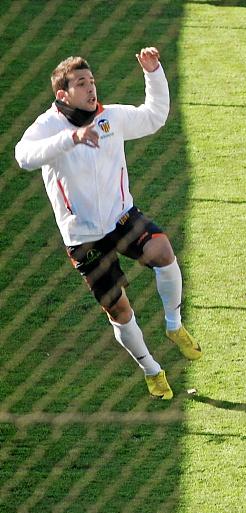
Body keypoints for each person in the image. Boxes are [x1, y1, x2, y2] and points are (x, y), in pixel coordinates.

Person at [15, 47, 202, 400]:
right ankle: (152, 370)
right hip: (83, 237)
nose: (91, 88)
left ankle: (174, 326)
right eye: (81, 83)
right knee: (119, 309)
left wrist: (154, 73)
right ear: (63, 95)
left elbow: (154, 117)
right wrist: (71, 138)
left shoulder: (109, 118)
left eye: (92, 81)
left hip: (121, 217)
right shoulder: (48, 126)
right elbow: (23, 156)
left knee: (163, 251)